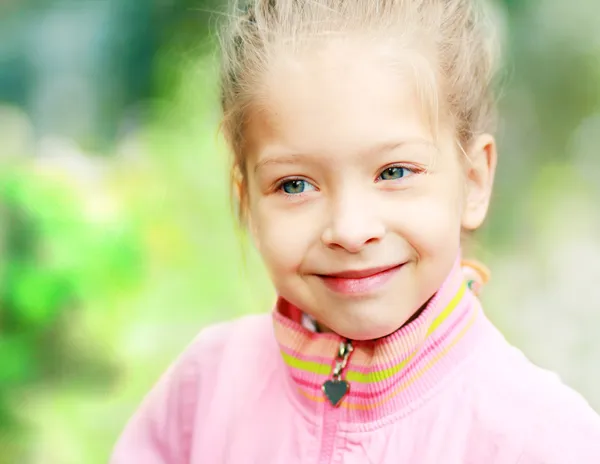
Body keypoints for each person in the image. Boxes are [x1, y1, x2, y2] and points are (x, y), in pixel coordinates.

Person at [110, 0, 600, 462]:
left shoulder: (540, 438)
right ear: (248, 203)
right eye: (295, 184)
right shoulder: (206, 391)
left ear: (473, 181)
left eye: (395, 172)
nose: (349, 229)